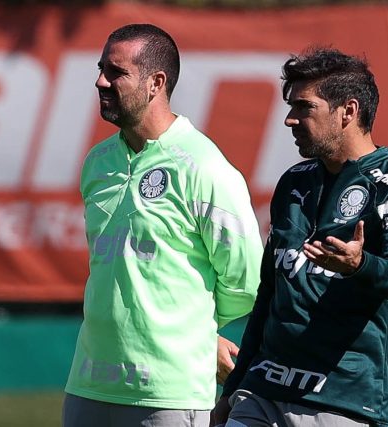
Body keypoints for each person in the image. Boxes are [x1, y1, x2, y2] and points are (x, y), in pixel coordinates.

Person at [210, 47, 388, 427]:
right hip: (262, 393)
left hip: (341, 401)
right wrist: (231, 393)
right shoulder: (294, 182)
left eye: (304, 107)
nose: (290, 120)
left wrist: (359, 264)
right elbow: (269, 296)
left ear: (348, 111)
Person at [62, 24, 263, 427]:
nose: (100, 81)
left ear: (156, 82)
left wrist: (194, 333)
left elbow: (246, 281)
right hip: (88, 384)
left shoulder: (205, 167)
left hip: (168, 393)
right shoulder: (97, 163)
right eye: (101, 68)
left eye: (116, 72)